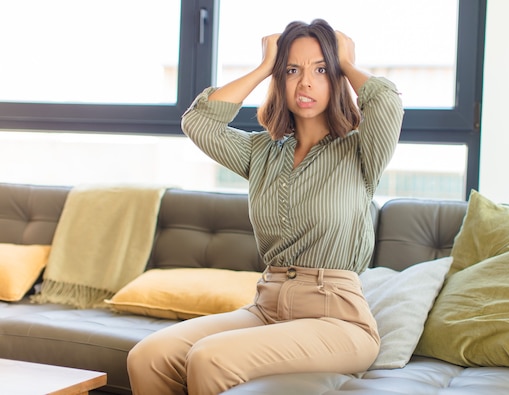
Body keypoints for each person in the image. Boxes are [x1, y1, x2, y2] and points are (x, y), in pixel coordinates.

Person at [127, 18, 403, 395]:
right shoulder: (260, 153)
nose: (305, 82)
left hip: (338, 320)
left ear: (335, 77)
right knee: (149, 356)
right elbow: (198, 122)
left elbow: (386, 102)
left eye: (321, 69)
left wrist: (347, 62)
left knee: (210, 357)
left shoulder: (359, 151)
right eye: (292, 70)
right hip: (266, 307)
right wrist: (262, 68)